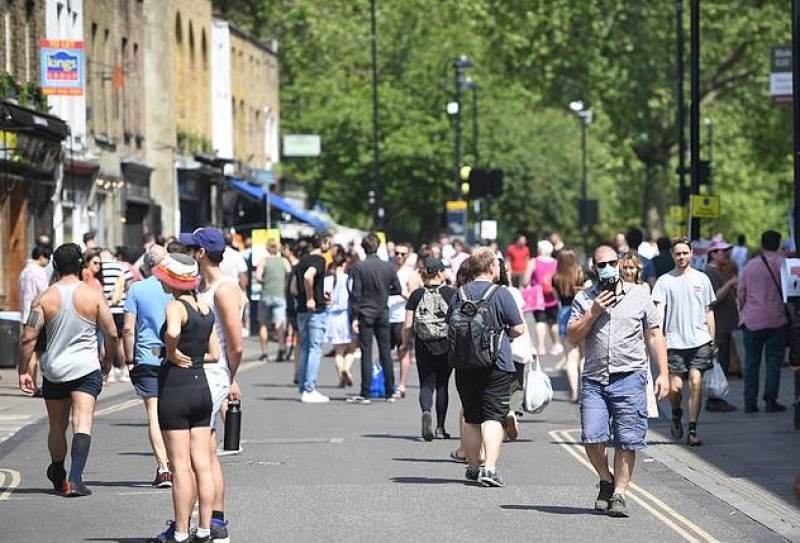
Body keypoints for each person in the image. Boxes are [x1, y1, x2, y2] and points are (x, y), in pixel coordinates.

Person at [567, 245, 669, 517]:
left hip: (630, 377)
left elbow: (654, 335)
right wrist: (593, 312)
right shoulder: (584, 298)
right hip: (595, 379)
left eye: (612, 263)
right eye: (602, 265)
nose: (608, 268)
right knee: (592, 436)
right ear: (594, 268)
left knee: (627, 440)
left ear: (620, 264)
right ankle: (606, 479)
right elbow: (572, 336)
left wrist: (664, 372)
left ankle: (620, 494)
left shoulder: (639, 296)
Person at [18, 243, 117, 497]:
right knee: (82, 422)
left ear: (55, 265)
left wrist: (23, 371)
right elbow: (111, 332)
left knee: (57, 425)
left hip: (55, 371)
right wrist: (108, 361)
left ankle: (58, 470)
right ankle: (75, 479)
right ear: (81, 265)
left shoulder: (44, 298)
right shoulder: (93, 296)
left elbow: (29, 337)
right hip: (85, 368)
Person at [179, 226, 245, 543]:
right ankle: (214, 522)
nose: (188, 253)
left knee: (199, 456)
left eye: (191, 249)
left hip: (213, 375)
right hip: (204, 373)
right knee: (207, 452)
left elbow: (236, 344)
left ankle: (208, 524)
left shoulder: (223, 289)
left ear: (202, 253)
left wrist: (230, 377)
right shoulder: (204, 286)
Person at [149, 253, 220, 543]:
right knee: (202, 463)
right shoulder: (205, 309)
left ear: (173, 281)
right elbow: (215, 354)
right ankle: (204, 529)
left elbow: (173, 332)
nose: (160, 282)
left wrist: (172, 353)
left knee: (179, 466)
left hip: (176, 389)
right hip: (202, 388)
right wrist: (194, 357)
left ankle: (180, 532)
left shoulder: (175, 306)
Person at [449, 248, 526, 487]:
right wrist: (505, 334)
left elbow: (449, 324)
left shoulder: (460, 293)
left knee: (472, 417)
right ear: (492, 267)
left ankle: (473, 468)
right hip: (496, 363)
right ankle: (489, 469)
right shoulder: (500, 293)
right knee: (493, 417)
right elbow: (519, 328)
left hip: (464, 363)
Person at [652, 238, 716, 446]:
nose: (681, 257)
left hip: (700, 341)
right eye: (677, 254)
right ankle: (676, 413)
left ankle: (692, 430)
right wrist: (659, 338)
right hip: (674, 343)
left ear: (691, 253)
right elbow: (659, 313)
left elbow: (708, 311)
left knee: (696, 382)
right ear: (672, 255)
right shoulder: (664, 281)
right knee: (675, 389)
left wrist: (712, 340)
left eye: (685, 253)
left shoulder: (702, 279)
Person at [123, 244, 173, 488]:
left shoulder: (137, 289)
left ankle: (163, 469)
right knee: (171, 414)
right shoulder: (175, 288)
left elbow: (128, 329)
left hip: (146, 357)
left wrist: (129, 360)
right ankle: (176, 464)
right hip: (173, 356)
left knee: (153, 414)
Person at [400, 257, 456, 441]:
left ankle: (426, 411)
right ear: (440, 273)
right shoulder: (451, 293)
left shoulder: (416, 295)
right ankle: (440, 428)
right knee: (442, 385)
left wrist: (405, 344)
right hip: (446, 344)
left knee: (426, 383)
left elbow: (408, 324)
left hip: (424, 344)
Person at [348, 232, 401, 405]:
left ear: (363, 248)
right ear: (378, 246)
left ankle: (365, 392)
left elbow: (356, 294)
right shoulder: (388, 267)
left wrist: (354, 316)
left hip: (365, 311)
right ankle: (390, 390)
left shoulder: (359, 267)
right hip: (382, 311)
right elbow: (397, 288)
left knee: (366, 352)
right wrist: (385, 291)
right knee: (386, 352)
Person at [738, 230, 789, 413]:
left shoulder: (750, 266)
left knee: (751, 362)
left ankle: (750, 402)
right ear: (778, 244)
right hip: (776, 319)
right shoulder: (783, 264)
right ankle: (770, 400)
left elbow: (741, 293)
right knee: (773, 361)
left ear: (762, 244)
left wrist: (745, 310)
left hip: (752, 320)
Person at [292, 232, 333, 403]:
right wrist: (311, 298)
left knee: (305, 348)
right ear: (323, 243)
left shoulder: (301, 261)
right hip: (314, 310)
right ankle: (309, 388)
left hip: (301, 309)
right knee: (315, 348)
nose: (330, 247)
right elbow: (308, 276)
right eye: (329, 243)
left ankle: (304, 387)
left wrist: (316, 296)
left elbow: (294, 288)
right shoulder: (320, 260)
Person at [703, 239, 740, 413]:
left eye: (727, 251)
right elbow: (714, 299)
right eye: (722, 251)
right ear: (713, 253)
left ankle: (718, 398)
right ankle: (715, 399)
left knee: (722, 363)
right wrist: (730, 284)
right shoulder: (710, 273)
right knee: (719, 364)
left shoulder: (720, 270)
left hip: (725, 326)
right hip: (718, 326)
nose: (726, 254)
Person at [552, 248, 587, 403]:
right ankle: (586, 392)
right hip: (581, 314)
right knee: (584, 356)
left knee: (571, 359)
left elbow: (556, 298)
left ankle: (574, 393)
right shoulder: (581, 275)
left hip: (565, 314)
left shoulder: (556, 278)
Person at [18, 245, 52, 396]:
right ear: (41, 257)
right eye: (47, 257)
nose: (48, 261)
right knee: (35, 352)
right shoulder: (39, 272)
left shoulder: (24, 272)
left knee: (29, 347)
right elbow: (44, 293)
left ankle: (30, 382)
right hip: (36, 315)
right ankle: (33, 385)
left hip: (25, 314)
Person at [100, 248, 135, 383]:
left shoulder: (99, 268)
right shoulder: (121, 267)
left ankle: (109, 371)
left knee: (105, 339)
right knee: (121, 340)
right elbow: (129, 285)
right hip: (120, 308)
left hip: (105, 309)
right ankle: (125, 369)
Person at [388, 242, 417, 399]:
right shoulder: (389, 269)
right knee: (385, 352)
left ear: (408, 255)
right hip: (386, 315)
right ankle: (387, 383)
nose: (399, 256)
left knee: (403, 351)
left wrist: (401, 292)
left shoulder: (410, 273)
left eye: (402, 254)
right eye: (397, 253)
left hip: (401, 317)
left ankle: (401, 385)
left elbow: (414, 297)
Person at [324, 246, 356, 387]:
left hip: (332, 316)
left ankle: (341, 376)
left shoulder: (327, 279)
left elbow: (325, 298)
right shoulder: (348, 279)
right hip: (345, 315)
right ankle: (346, 369)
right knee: (351, 348)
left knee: (338, 351)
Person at [255, 239, 291, 361]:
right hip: (280, 295)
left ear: (267, 248)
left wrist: (264, 281)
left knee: (263, 324)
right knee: (279, 323)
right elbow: (290, 274)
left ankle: (264, 352)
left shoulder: (263, 261)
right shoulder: (284, 261)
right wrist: (284, 284)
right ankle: (281, 348)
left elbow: (258, 276)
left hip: (266, 294)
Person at [527, 239, 561, 356]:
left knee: (540, 321)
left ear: (540, 250)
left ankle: (541, 346)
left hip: (538, 297)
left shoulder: (534, 261)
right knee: (553, 322)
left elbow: (526, 279)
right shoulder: (556, 263)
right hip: (552, 296)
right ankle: (556, 344)